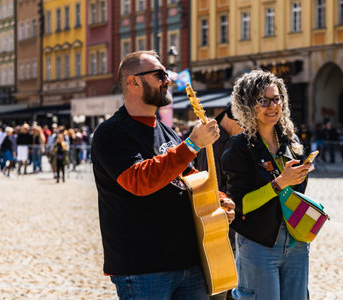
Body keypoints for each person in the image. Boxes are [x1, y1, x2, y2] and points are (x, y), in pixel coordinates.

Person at [91, 50, 235, 300]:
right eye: (159, 74)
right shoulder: (111, 133)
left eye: (166, 74)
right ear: (133, 82)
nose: (167, 80)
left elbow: (190, 177)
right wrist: (190, 145)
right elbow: (139, 181)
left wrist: (218, 199)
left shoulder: (167, 132)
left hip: (189, 262)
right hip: (143, 267)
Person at [222, 70, 314, 300]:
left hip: (296, 241)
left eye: (276, 99)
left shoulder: (291, 143)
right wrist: (280, 182)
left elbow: (295, 194)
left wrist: (299, 176)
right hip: (258, 243)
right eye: (262, 101)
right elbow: (241, 204)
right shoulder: (239, 147)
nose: (272, 106)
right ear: (247, 106)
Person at [196, 104, 243, 300]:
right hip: (219, 232)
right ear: (233, 118)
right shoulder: (213, 142)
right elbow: (207, 188)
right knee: (222, 292)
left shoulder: (235, 141)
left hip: (234, 230)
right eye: (246, 123)